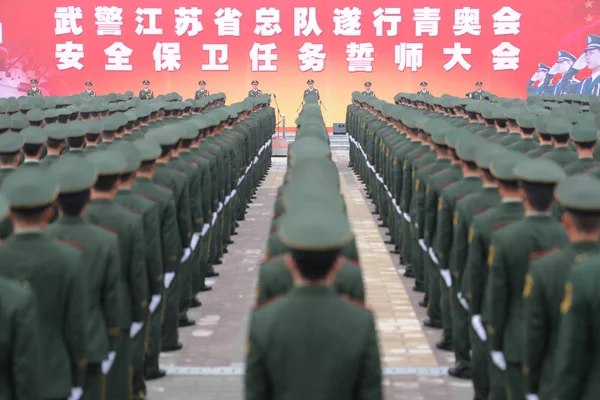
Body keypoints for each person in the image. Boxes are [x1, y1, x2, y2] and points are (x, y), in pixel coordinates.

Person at [245, 209, 382, 400]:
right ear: (337, 265)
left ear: (291, 263)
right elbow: (371, 392)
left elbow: (255, 392)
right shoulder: (361, 321)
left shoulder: (263, 320)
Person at [0, 167, 87, 400]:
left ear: (8, 213)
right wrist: (79, 376)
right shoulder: (70, 258)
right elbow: (76, 327)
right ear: (50, 212)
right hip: (55, 373)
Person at [487, 158, 568, 400]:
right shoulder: (566, 238)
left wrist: (495, 341)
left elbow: (497, 296)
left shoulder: (506, 238)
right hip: (561, 348)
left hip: (516, 343)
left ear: (522, 194)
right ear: (555, 197)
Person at [46, 155, 122, 400]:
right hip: (91, 341)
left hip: (44, 350)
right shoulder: (105, 241)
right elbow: (111, 298)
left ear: (55, 200)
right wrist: (111, 340)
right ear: (88, 198)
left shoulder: (44, 240)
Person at [523, 174, 600, 400]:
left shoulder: (545, 268)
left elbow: (537, 336)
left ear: (565, 221)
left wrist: (531, 384)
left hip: (557, 381)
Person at [84, 150, 149, 400]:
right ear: (119, 181)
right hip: (120, 311)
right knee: (119, 379)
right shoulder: (130, 220)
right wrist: (140, 306)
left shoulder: (79, 219)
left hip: (81, 315)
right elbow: (137, 270)